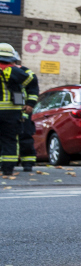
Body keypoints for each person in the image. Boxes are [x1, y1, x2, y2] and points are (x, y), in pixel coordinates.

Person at [0, 43, 39, 177]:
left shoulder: (21, 70)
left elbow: (32, 86)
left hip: (20, 111)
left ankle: (27, 163)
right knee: (10, 140)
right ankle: (7, 169)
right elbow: (30, 81)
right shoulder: (19, 72)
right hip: (12, 111)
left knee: (23, 137)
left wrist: (30, 104)